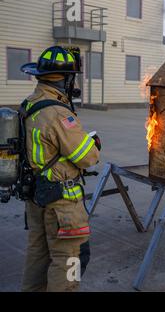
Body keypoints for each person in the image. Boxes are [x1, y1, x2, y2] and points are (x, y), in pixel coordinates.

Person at [19, 46, 101, 292]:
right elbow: (86, 157)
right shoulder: (57, 113)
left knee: (37, 256)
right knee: (69, 262)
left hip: (36, 198)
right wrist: (93, 144)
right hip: (62, 204)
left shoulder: (29, 104)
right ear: (65, 79)